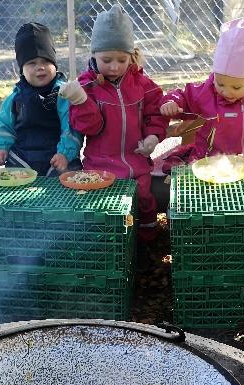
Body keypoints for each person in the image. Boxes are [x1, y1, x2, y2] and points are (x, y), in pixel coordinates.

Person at [58, 4, 168, 250]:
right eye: (107, 60)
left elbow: (155, 112)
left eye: (122, 59)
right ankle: (113, 250)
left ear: (132, 56)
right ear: (94, 55)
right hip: (101, 168)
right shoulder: (86, 87)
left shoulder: (142, 83)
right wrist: (80, 100)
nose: (115, 67)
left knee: (146, 204)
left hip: (137, 163)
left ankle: (144, 249)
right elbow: (91, 127)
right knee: (108, 212)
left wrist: (152, 136)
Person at [156, 15, 244, 174]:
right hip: (210, 156)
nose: (226, 91)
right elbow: (187, 98)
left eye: (236, 87)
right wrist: (172, 102)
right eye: (220, 83)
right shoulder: (210, 89)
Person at [0, 22, 82, 176]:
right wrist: (2, 147)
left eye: (46, 61)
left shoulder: (63, 94)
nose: (40, 67)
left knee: (69, 179)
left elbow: (72, 127)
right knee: (12, 184)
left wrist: (65, 154)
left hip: (56, 158)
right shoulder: (15, 98)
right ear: (22, 69)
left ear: (55, 64)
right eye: (32, 63)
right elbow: (5, 126)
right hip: (23, 160)